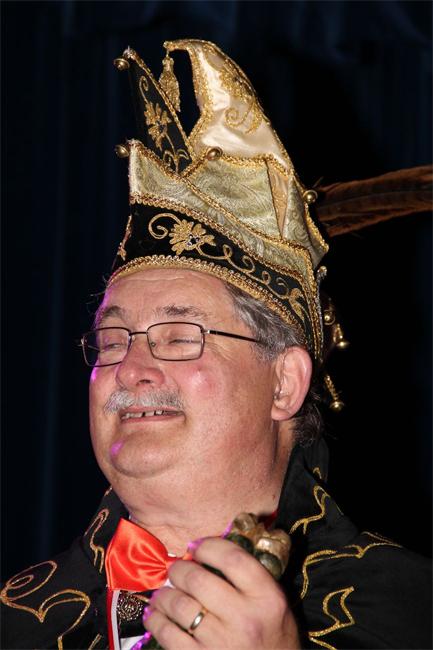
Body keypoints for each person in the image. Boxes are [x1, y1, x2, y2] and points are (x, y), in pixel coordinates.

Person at [1, 39, 431, 650]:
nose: (130, 368)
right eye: (112, 340)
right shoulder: (20, 621)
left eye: (180, 337)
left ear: (284, 383)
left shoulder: (411, 613)